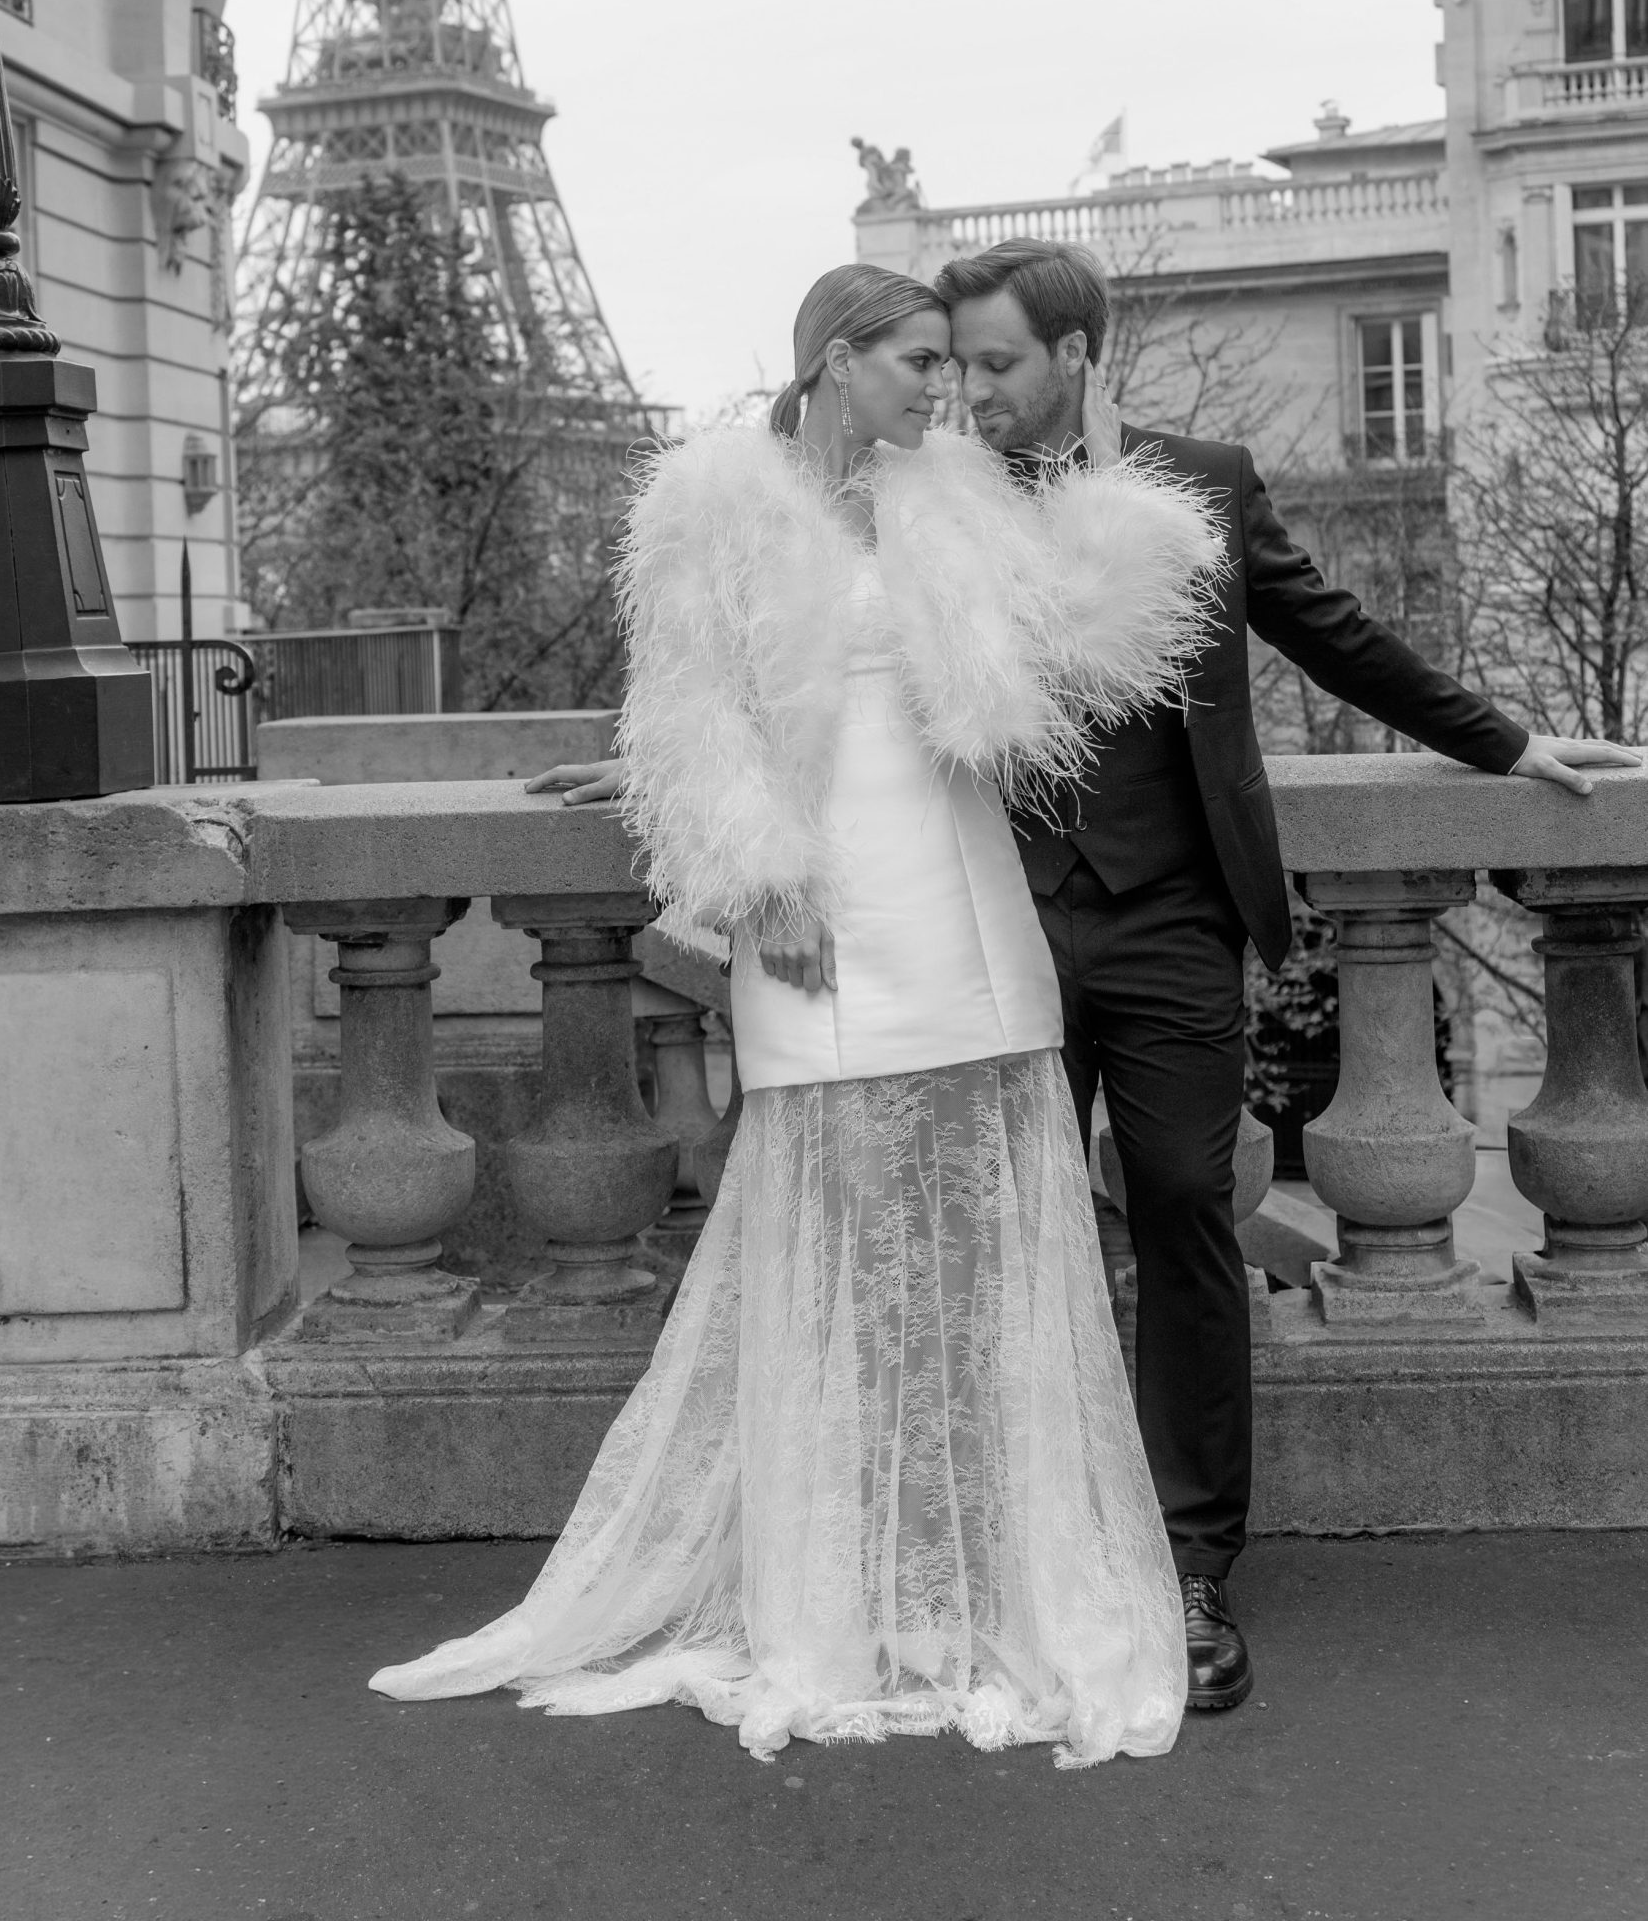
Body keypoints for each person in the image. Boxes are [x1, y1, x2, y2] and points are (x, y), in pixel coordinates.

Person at [370, 264, 1225, 1767]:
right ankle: (847, 1592)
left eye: (950, 369)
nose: (941, 390)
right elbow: (697, 708)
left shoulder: (951, 493)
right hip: (817, 907)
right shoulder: (716, 503)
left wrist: (1102, 489)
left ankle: (967, 1588)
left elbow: (1087, 664)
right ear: (836, 361)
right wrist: (747, 870)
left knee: (975, 1255)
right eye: (913, 362)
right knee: (841, 1245)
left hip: (965, 908)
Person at [929, 235, 1641, 1713]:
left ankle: (1189, 1564)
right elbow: (822, 659)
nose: (973, 393)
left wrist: (1507, 742)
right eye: (961, 364)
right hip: (992, 917)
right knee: (1019, 1225)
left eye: (997, 364)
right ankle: (1027, 1544)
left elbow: (1338, 639)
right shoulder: (934, 501)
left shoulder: (1205, 479)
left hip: (1175, 917)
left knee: (1189, 1206)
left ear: (1075, 355)